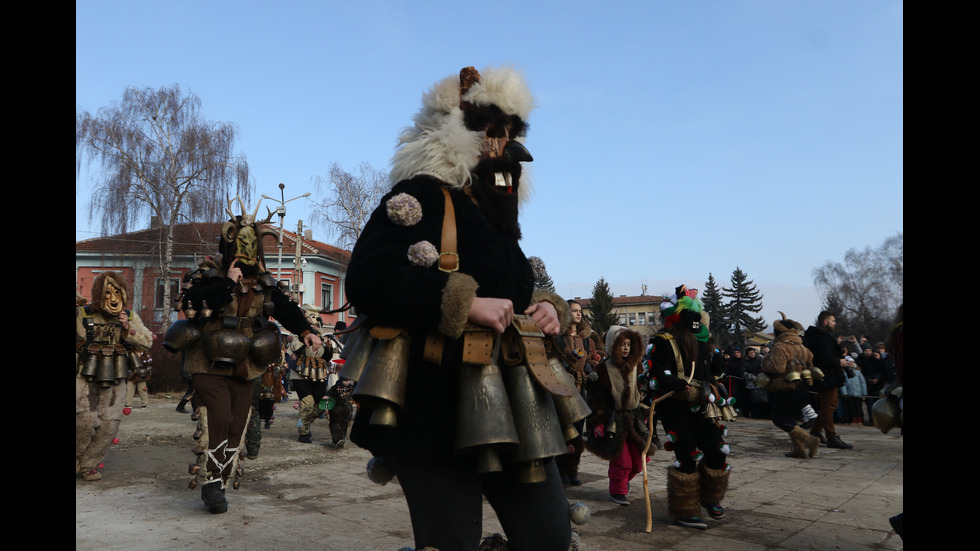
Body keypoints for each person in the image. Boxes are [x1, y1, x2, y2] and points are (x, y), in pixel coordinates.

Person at [343, 66, 573, 551]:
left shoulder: (498, 222)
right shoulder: (422, 196)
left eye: (511, 133)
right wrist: (462, 302)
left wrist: (548, 310)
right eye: (491, 131)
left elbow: (517, 292)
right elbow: (368, 278)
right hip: (434, 411)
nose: (504, 145)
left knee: (550, 537)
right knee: (450, 544)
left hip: (514, 406)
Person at [166, 197, 322, 514]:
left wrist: (306, 330)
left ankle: (221, 480)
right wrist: (227, 283)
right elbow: (192, 304)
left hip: (246, 364)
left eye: (252, 242)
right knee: (218, 418)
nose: (247, 249)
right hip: (208, 362)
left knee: (237, 423)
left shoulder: (264, 282)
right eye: (241, 241)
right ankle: (210, 483)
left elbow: (286, 308)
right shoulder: (208, 273)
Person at [646, 286, 733, 530]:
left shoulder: (703, 340)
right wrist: (674, 381)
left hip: (703, 404)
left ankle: (709, 497)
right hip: (675, 405)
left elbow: (716, 370)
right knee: (686, 455)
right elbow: (656, 371)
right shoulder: (663, 341)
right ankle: (685, 509)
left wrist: (711, 345)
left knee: (717, 450)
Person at [76, 272, 154, 481]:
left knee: (109, 423)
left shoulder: (129, 317)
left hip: (116, 377)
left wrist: (129, 329)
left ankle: (89, 465)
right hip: (86, 375)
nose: (112, 298)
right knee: (84, 420)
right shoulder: (83, 314)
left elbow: (147, 341)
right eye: (107, 292)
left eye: (117, 292)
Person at [583, 325, 650, 506]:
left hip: (635, 420)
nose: (626, 348)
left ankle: (623, 481)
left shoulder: (638, 367)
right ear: (613, 345)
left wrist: (647, 405)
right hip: (613, 420)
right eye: (622, 344)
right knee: (622, 460)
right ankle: (618, 490)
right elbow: (595, 399)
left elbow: (644, 390)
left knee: (639, 461)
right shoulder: (603, 369)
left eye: (629, 344)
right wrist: (597, 421)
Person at [760, 312, 821, 458]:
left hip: (785, 388)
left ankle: (809, 440)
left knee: (779, 419)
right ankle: (799, 449)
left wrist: (765, 361)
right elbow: (810, 364)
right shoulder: (803, 347)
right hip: (802, 387)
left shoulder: (781, 347)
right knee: (791, 420)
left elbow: (777, 367)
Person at [557, 299, 599, 487]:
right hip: (563, 389)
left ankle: (573, 470)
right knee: (563, 431)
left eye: (580, 310)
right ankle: (561, 471)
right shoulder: (557, 336)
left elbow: (589, 361)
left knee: (577, 433)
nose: (578, 313)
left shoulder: (586, 339)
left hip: (581, 389)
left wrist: (592, 369)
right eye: (574, 310)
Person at [803, 311, 854, 449]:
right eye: (833, 321)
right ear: (825, 322)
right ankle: (831, 436)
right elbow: (824, 358)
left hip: (827, 376)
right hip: (827, 376)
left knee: (830, 405)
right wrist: (840, 362)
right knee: (828, 407)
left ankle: (815, 433)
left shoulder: (819, 336)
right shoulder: (822, 337)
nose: (835, 323)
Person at [288, 306, 334, 443]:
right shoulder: (298, 337)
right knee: (307, 403)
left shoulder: (322, 339)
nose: (315, 327)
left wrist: (329, 349)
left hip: (319, 374)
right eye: (312, 325)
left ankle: (305, 423)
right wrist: (307, 336)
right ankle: (303, 432)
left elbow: (326, 358)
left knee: (321, 405)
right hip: (301, 374)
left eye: (316, 325)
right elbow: (297, 350)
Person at [324, 376, 355, 448]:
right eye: (345, 380)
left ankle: (341, 438)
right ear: (341, 380)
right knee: (335, 424)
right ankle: (336, 440)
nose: (347, 382)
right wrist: (327, 396)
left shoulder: (351, 388)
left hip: (347, 409)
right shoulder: (336, 387)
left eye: (349, 380)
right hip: (336, 409)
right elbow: (329, 393)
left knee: (344, 424)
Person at [741, 347, 768, 419]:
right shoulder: (745, 362)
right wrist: (752, 377)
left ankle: (763, 414)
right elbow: (743, 372)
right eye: (750, 353)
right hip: (750, 382)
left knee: (762, 399)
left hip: (762, 381)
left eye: (753, 352)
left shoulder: (761, 359)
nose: (752, 354)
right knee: (752, 399)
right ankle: (754, 414)